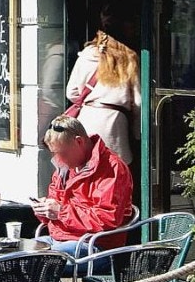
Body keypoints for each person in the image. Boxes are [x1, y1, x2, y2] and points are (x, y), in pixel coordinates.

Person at [31, 116, 133, 262]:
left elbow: (107, 219)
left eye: (63, 153)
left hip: (95, 245)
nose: (58, 160)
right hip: (60, 239)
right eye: (54, 154)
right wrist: (44, 209)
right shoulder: (64, 167)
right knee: (15, 258)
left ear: (79, 141)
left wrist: (60, 211)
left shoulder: (111, 168)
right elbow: (55, 206)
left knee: (39, 263)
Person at [64, 27, 139, 167]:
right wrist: (137, 133)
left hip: (87, 119)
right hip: (115, 122)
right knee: (114, 169)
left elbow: (71, 92)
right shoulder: (129, 58)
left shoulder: (86, 56)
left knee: (87, 169)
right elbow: (138, 102)